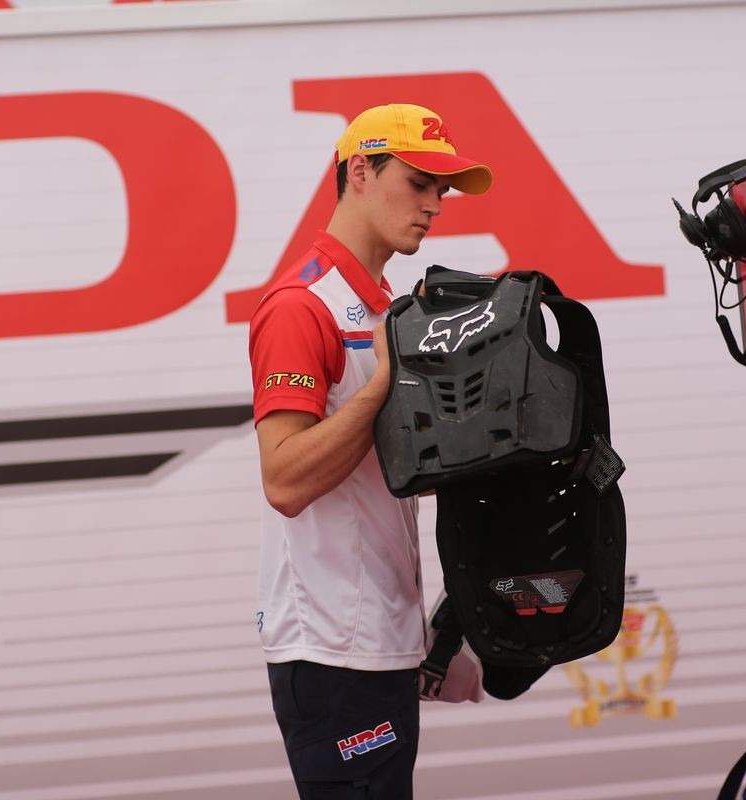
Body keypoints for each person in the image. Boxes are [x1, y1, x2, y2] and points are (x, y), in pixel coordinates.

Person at [248, 104, 492, 799]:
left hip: (378, 643)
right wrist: (386, 383)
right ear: (359, 171)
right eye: (419, 183)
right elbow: (284, 479)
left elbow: (385, 474)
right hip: (331, 653)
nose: (434, 205)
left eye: (441, 190)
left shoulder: (390, 306)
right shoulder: (301, 305)